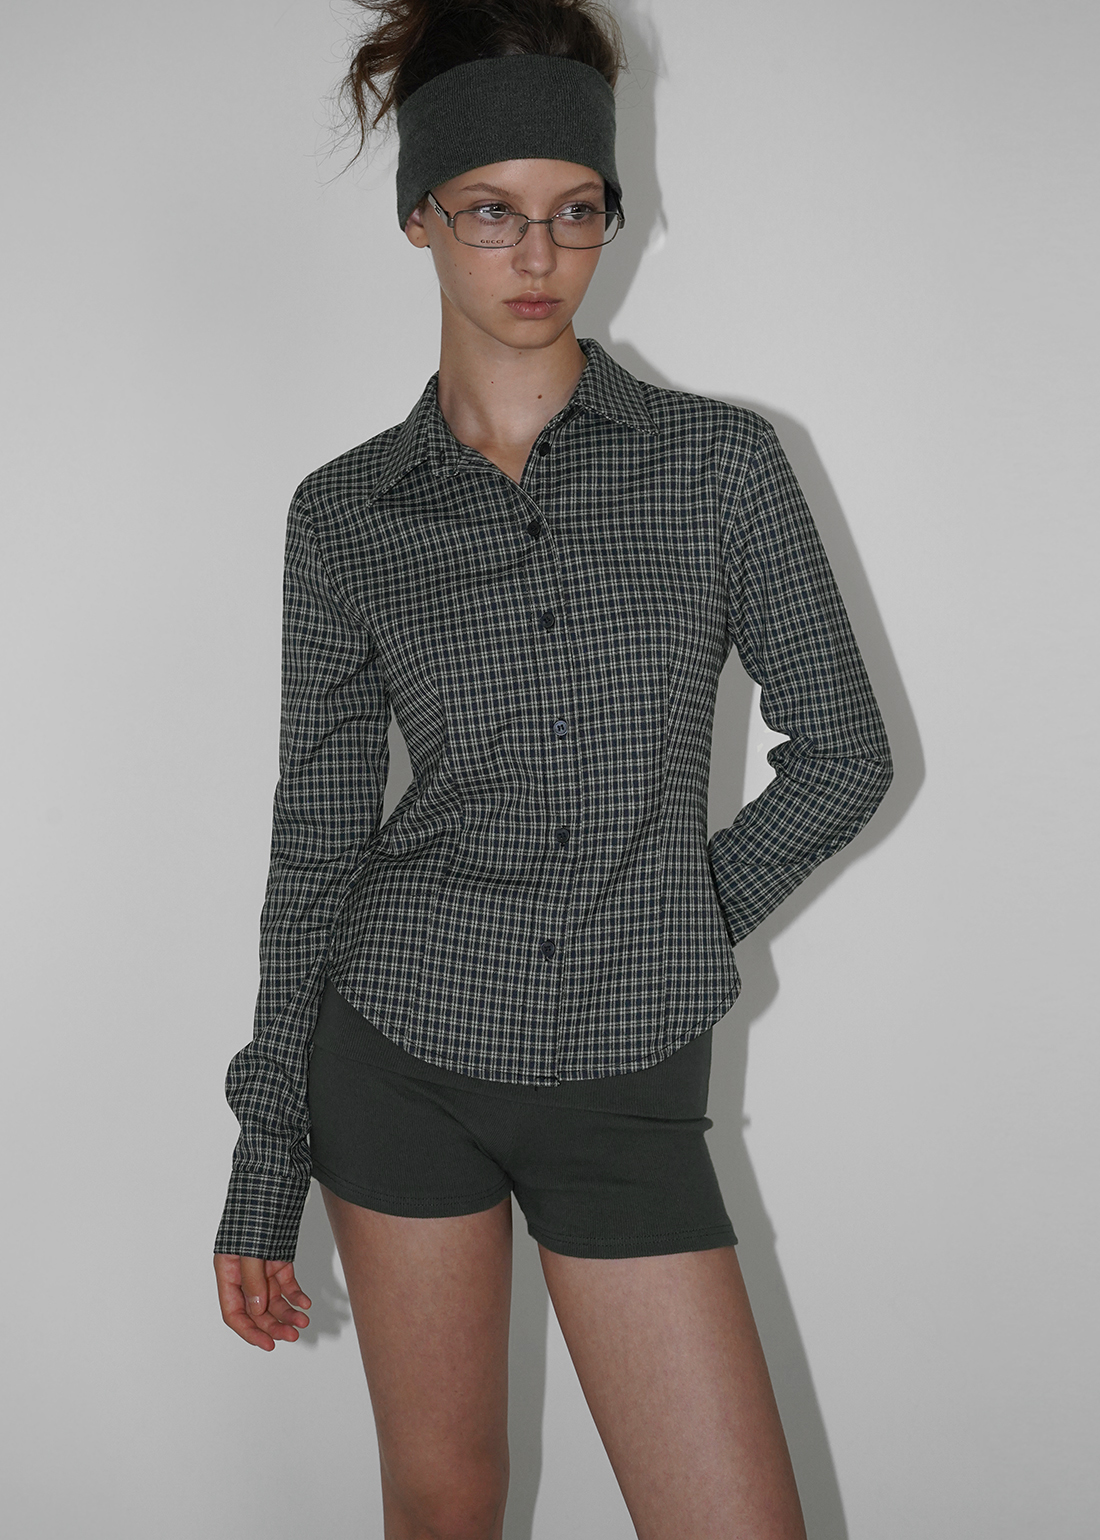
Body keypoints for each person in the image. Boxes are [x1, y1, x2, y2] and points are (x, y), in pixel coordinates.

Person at [213, 2, 892, 1535]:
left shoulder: (721, 467)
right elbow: (316, 840)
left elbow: (845, 753)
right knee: (445, 1503)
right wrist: (267, 1160)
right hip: (396, 1059)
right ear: (420, 219)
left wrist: (670, 914)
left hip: (625, 1081)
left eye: (576, 213)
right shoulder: (346, 515)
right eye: (492, 214)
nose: (538, 257)